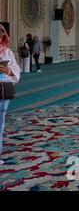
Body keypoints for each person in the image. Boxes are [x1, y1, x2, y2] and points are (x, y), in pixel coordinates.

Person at [0, 24, 21, 165]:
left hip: (4, 91)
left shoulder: (8, 52)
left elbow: (16, 71)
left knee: (0, 124)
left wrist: (9, 71)